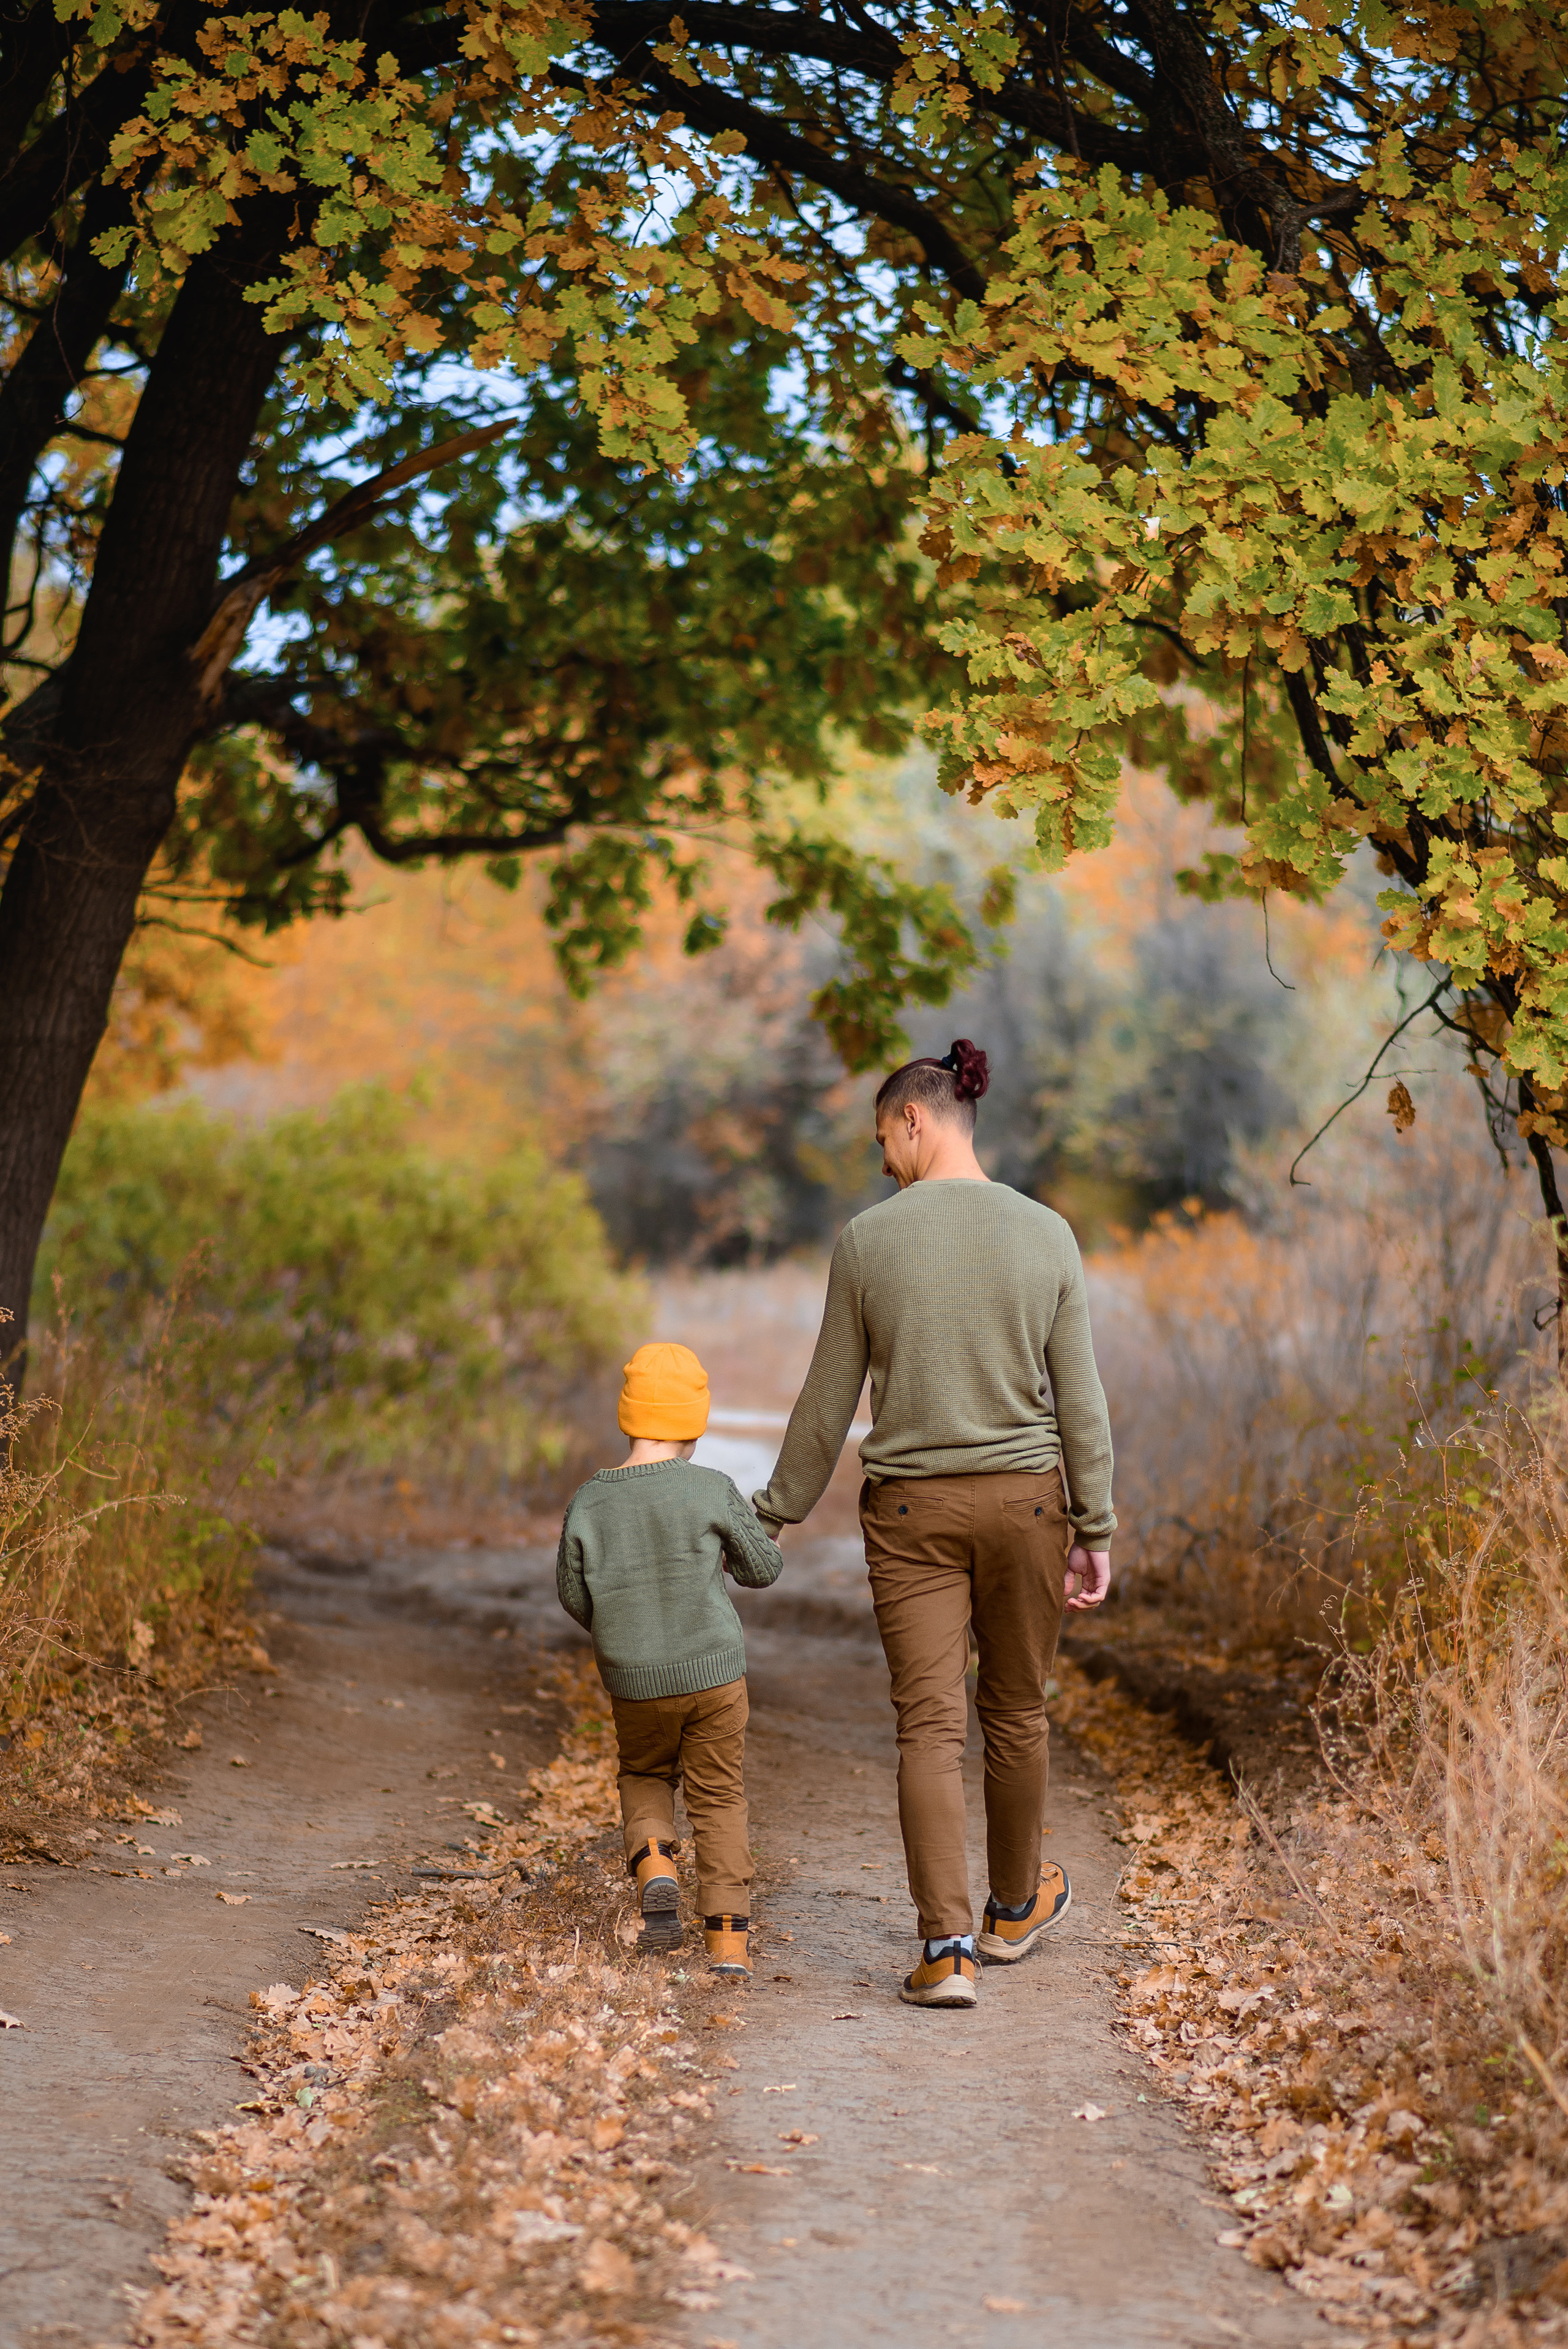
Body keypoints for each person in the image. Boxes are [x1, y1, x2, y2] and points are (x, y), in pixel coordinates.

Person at [753, 1041, 1114, 2010]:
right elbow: (1081, 1401)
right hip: (1029, 1503)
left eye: (883, 1138)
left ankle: (946, 1948)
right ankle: (1014, 1911)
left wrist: (771, 1515)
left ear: (915, 1118)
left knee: (929, 1723)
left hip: (912, 1511)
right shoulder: (1049, 1234)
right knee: (1018, 1710)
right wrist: (1096, 1525)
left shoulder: (868, 1240)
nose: (883, 1161)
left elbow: (827, 1401)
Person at [556, 1340, 783, 1979]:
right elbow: (763, 1569)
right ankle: (728, 1945)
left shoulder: (589, 1502)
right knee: (719, 1797)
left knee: (645, 1773)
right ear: (694, 1421)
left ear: (629, 1417)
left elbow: (573, 1593)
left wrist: (622, 1631)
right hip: (715, 1676)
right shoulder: (711, 1489)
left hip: (634, 1681)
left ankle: (655, 1863)